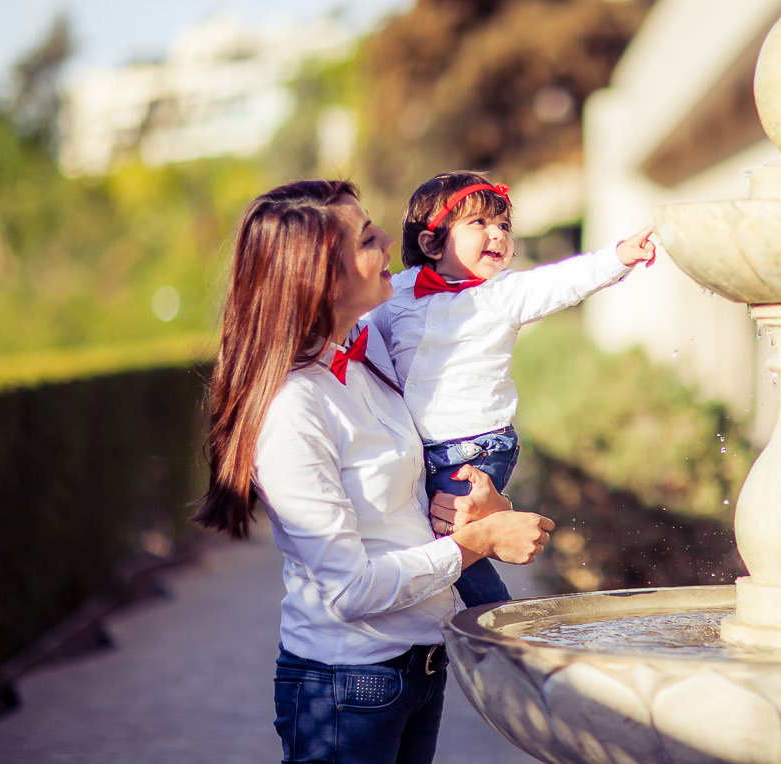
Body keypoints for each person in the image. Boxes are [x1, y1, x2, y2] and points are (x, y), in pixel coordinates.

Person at [192, 179, 554, 764]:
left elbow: (420, 482)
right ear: (321, 277)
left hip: (420, 664)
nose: (390, 238)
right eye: (366, 238)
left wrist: (482, 506)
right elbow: (350, 588)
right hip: (346, 686)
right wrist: (476, 542)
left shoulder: (369, 352)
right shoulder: (292, 411)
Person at [364, 170, 656, 608]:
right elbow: (359, 338)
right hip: (419, 449)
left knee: (456, 536)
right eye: (479, 224)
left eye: (504, 225)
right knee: (420, 534)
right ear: (431, 243)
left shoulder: (505, 293)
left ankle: (497, 620)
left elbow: (563, 281)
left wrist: (619, 257)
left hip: (477, 447)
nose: (497, 234)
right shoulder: (398, 292)